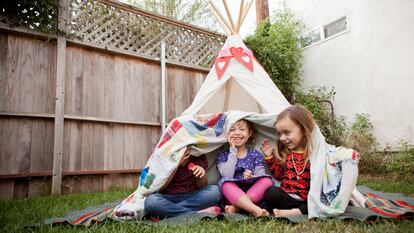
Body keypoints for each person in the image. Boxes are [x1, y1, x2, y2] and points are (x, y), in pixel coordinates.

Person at [260, 104, 314, 217]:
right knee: (271, 192)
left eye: (287, 133)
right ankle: (290, 210)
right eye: (280, 134)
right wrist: (269, 157)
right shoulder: (286, 154)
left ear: (303, 130)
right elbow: (278, 175)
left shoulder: (314, 154)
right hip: (287, 198)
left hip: (308, 199)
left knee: (318, 200)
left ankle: (295, 212)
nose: (282, 138)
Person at [144, 147, 221, 219]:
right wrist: (176, 164)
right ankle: (197, 214)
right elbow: (160, 186)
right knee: (151, 201)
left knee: (215, 191)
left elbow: (201, 187)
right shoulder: (165, 157)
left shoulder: (198, 155)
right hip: (167, 198)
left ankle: (166, 213)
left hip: (191, 197)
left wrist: (202, 175)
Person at [217, 119, 273, 217]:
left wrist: (252, 176)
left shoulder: (255, 154)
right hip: (232, 195)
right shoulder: (223, 155)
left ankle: (238, 207)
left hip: (253, 194)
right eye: (232, 130)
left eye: (242, 129)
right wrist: (233, 150)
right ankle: (255, 210)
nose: (237, 133)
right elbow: (227, 175)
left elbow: (261, 175)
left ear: (249, 133)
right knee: (224, 182)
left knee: (267, 180)